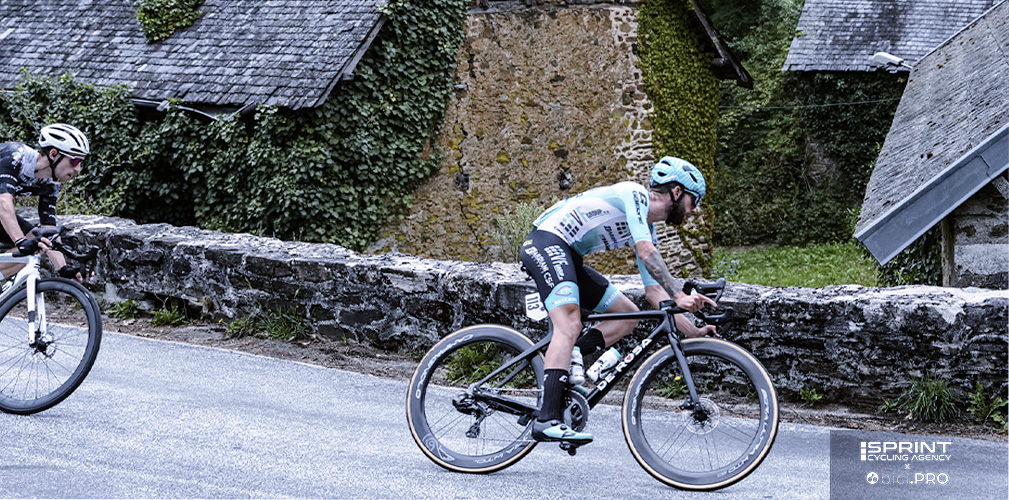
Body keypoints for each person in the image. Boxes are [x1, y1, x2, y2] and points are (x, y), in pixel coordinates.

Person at [519, 156, 717, 444]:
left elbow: (655, 294)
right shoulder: (634, 194)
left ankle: (568, 359)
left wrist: (695, 331)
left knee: (628, 314)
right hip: (547, 242)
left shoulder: (646, 227)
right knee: (569, 324)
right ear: (677, 193)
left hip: (568, 256)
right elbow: (647, 253)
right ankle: (546, 419)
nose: (695, 210)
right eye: (693, 200)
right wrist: (679, 293)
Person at [0, 123, 90, 283]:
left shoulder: (50, 184)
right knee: (24, 242)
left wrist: (63, 269)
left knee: (37, 244)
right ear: (54, 154)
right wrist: (20, 241)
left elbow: (49, 230)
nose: (78, 169)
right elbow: (3, 201)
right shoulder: (16, 156)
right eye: (75, 161)